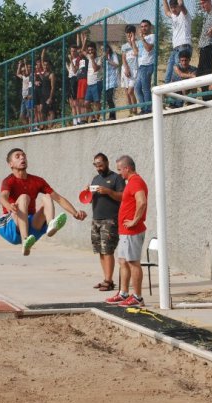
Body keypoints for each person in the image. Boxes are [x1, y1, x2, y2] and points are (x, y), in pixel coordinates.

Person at [0, 148, 87, 256]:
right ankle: (25, 240)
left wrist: (75, 213)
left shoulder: (37, 181)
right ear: (10, 164)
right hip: (10, 225)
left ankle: (50, 225)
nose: (22, 158)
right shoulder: (9, 181)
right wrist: (9, 205)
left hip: (31, 223)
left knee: (47, 196)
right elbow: (2, 197)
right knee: (24, 197)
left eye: (23, 155)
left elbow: (58, 198)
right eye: (17, 156)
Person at [105, 155, 148, 307]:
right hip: (125, 231)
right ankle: (124, 293)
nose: (119, 174)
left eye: (119, 170)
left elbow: (141, 201)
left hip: (132, 231)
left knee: (133, 262)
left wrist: (135, 220)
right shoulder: (130, 183)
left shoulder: (136, 181)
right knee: (123, 261)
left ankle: (137, 296)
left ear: (127, 168)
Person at [89, 153, 126, 291]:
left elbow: (123, 196)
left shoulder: (116, 178)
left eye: (100, 165)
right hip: (96, 219)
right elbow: (91, 199)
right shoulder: (95, 179)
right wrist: (87, 193)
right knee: (100, 250)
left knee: (108, 250)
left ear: (107, 162)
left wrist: (108, 191)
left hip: (110, 220)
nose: (98, 168)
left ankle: (109, 281)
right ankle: (106, 278)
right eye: (96, 165)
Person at [162, 0, 192, 84]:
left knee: (177, 75)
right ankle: (168, 96)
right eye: (172, 7)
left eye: (175, 7)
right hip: (175, 49)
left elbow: (181, 4)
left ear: (178, 6)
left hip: (183, 47)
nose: (173, 9)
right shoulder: (174, 16)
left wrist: (180, 4)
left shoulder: (184, 15)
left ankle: (179, 96)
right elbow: (167, 12)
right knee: (168, 75)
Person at [132, 20, 156, 114]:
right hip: (141, 66)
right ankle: (143, 108)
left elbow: (148, 48)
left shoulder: (152, 36)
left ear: (150, 27)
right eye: (141, 26)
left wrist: (142, 39)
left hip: (148, 65)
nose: (143, 28)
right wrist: (133, 41)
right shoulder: (142, 39)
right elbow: (137, 53)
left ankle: (148, 109)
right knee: (137, 88)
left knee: (145, 88)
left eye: (145, 26)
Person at [121, 25, 139, 116]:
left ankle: (135, 110)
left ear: (134, 33)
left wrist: (132, 42)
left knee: (131, 91)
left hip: (134, 69)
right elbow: (123, 58)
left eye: (131, 32)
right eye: (127, 33)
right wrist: (126, 68)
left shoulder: (138, 43)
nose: (129, 34)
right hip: (125, 69)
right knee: (126, 92)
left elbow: (136, 53)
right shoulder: (124, 46)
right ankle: (130, 111)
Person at [84, 42, 103, 122]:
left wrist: (92, 59)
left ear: (95, 50)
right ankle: (92, 116)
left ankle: (97, 118)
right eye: (89, 50)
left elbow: (95, 69)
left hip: (97, 82)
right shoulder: (88, 57)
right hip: (89, 84)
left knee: (96, 102)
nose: (90, 51)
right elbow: (82, 51)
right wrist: (84, 40)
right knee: (86, 103)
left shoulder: (99, 59)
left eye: (92, 50)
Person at [103, 44, 120, 121]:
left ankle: (112, 116)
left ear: (108, 49)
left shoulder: (113, 55)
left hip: (112, 80)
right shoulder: (103, 58)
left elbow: (116, 64)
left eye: (105, 49)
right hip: (106, 81)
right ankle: (111, 115)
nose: (104, 51)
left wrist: (108, 60)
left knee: (110, 98)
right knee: (107, 99)